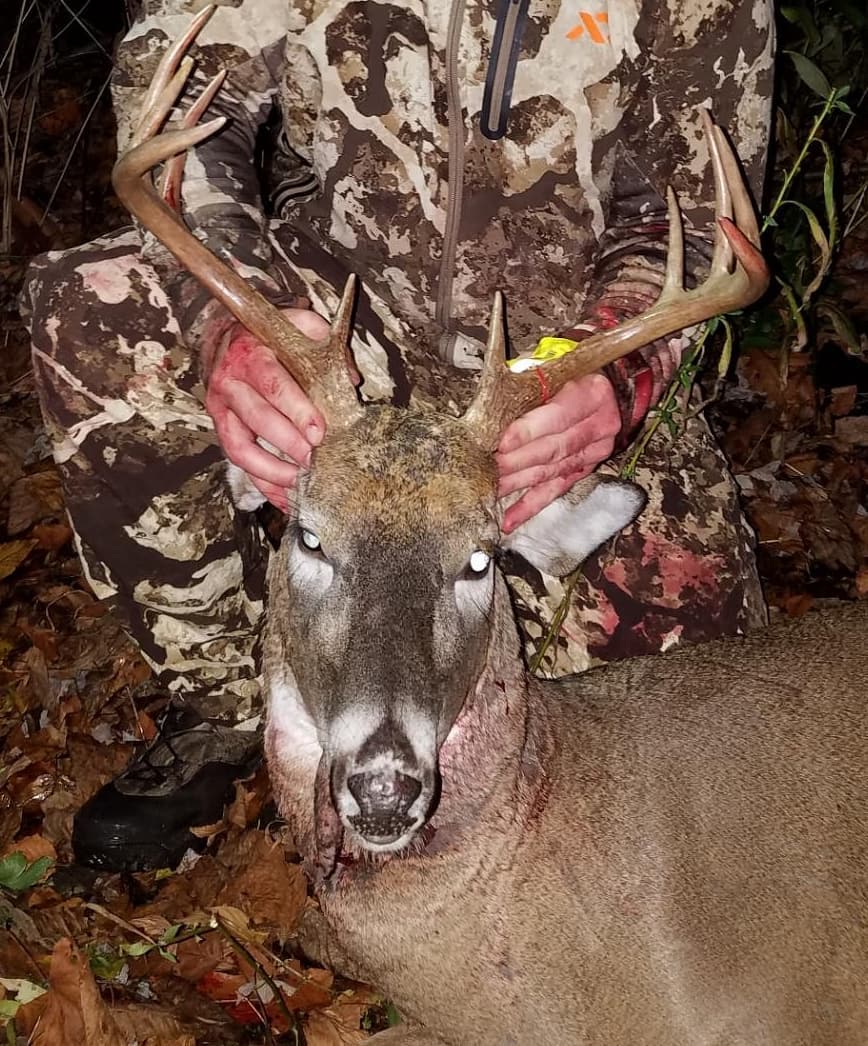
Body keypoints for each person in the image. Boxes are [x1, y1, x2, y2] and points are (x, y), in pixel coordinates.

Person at [24, 0, 774, 871]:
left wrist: (609, 373)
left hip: (550, 360)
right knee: (96, 312)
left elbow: (691, 208)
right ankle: (222, 697)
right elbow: (185, 108)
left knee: (696, 779)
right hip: (340, 330)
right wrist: (228, 324)